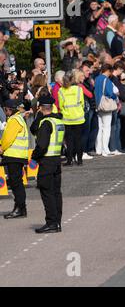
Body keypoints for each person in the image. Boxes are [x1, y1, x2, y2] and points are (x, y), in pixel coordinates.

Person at [31, 95, 64, 233]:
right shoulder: (58, 121)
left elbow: (42, 145)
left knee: (47, 192)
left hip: (47, 161)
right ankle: (57, 222)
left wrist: (34, 155)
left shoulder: (46, 123)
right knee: (56, 192)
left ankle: (51, 222)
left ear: (40, 108)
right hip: (56, 160)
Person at [0, 99, 29, 219]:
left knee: (16, 183)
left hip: (14, 156)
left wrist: (1, 148)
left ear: (9, 109)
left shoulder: (13, 120)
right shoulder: (19, 118)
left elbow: (8, 138)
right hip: (18, 156)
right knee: (18, 183)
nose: (5, 112)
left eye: (5, 109)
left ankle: (19, 208)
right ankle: (21, 208)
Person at [58, 71, 85, 166]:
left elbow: (61, 106)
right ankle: (80, 160)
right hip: (78, 118)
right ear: (73, 79)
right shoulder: (78, 89)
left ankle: (69, 160)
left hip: (67, 118)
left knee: (69, 141)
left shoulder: (61, 90)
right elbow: (82, 103)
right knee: (78, 140)